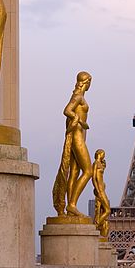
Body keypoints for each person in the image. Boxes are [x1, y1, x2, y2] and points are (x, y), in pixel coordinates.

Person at [52, 71, 93, 217]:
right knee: (88, 171)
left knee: (74, 172)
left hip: (79, 136)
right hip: (77, 137)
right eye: (89, 82)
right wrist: (80, 120)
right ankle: (72, 204)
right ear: (86, 82)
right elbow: (67, 110)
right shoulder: (78, 97)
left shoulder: (79, 96)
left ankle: (71, 206)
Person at [92, 149, 111, 238]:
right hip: (100, 190)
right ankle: (96, 225)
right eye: (103, 153)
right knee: (108, 210)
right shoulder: (96, 163)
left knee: (104, 210)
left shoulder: (100, 164)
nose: (104, 155)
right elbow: (94, 178)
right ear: (99, 154)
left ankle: (97, 224)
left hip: (101, 189)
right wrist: (97, 189)